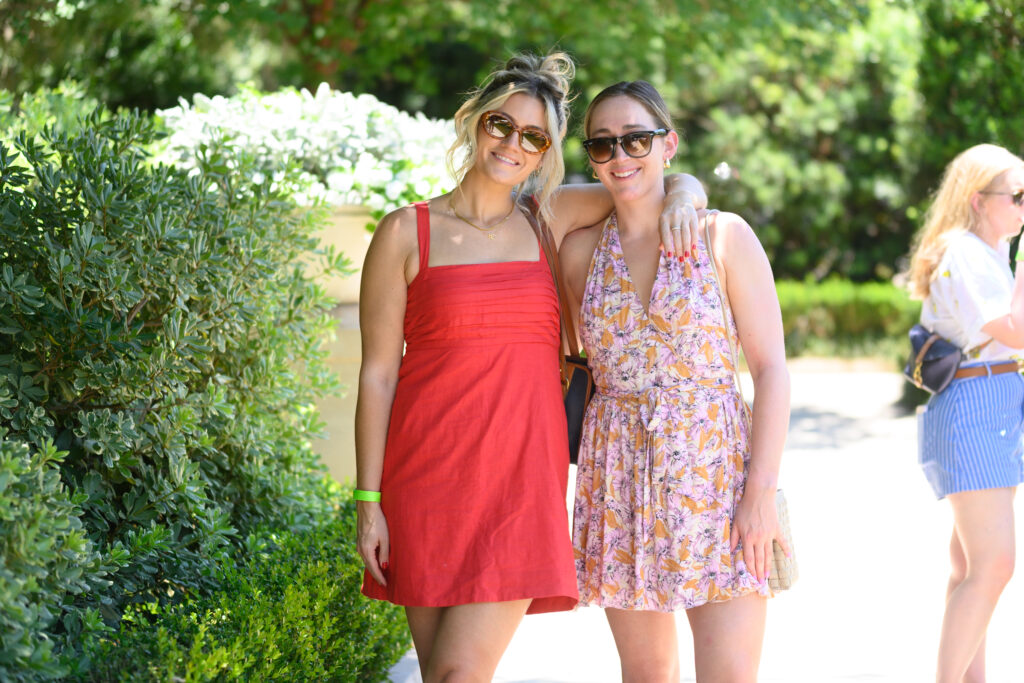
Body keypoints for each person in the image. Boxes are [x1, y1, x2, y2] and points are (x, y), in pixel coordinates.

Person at [353, 53, 708, 681]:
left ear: (547, 152)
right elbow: (378, 374)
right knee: (443, 673)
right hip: (424, 484)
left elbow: (643, 178)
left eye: (534, 136)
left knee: (458, 673)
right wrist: (368, 500)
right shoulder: (405, 233)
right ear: (472, 121)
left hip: (519, 485)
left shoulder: (546, 221)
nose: (513, 143)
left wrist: (688, 191)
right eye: (500, 124)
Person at [559, 81, 790, 682]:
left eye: (637, 138)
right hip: (619, 486)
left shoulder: (723, 237)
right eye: (603, 145)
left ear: (670, 144)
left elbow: (770, 371)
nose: (620, 156)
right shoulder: (579, 254)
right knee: (645, 675)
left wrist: (760, 495)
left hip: (719, 484)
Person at [907, 143, 1024, 683]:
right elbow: (1014, 331)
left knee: (970, 568)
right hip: (975, 406)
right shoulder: (964, 252)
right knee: (995, 565)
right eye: (1018, 195)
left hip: (991, 403)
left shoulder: (988, 251)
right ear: (979, 200)